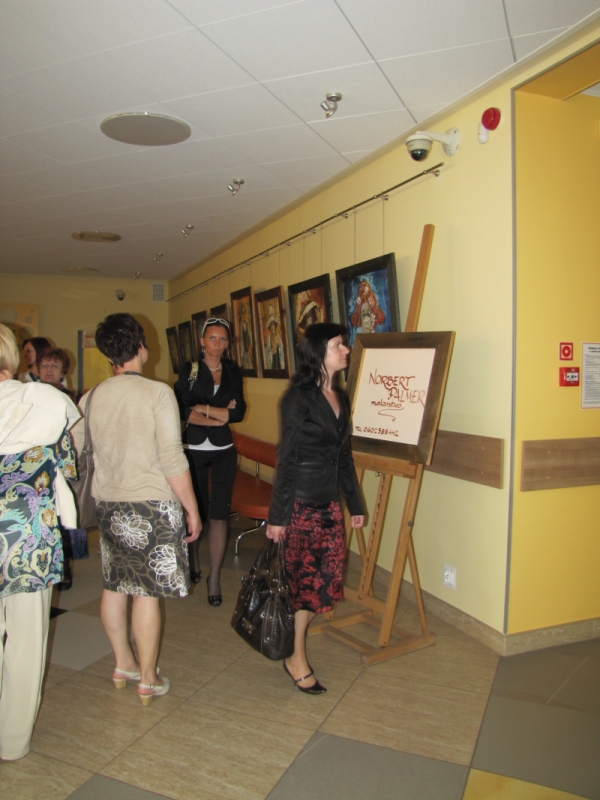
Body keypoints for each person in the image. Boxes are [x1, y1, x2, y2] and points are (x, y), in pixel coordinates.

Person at [71, 314, 201, 705]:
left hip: (109, 504)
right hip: (152, 506)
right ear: (141, 347)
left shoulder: (91, 397)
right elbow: (172, 458)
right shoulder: (157, 393)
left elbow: (74, 450)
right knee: (147, 592)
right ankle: (147, 678)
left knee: (115, 584)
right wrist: (192, 509)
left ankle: (123, 663)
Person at [266, 323, 365, 694]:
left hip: (329, 506)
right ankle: (296, 658)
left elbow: (344, 455)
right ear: (319, 352)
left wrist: (354, 503)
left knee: (320, 587)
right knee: (302, 587)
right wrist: (278, 517)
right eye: (338, 345)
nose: (346, 350)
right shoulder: (297, 398)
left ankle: (294, 649)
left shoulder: (340, 396)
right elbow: (287, 459)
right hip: (302, 506)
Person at [0, 324, 80, 760]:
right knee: (27, 637)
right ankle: (11, 742)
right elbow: (67, 465)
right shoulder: (49, 402)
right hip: (27, 534)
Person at [175, 318, 246, 605]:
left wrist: (202, 407)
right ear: (202, 341)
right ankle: (193, 561)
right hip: (193, 448)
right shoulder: (190, 371)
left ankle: (213, 577)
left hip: (224, 450)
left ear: (228, 343)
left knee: (219, 513)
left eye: (223, 339)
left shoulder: (232, 371)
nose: (217, 344)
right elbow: (183, 410)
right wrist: (219, 415)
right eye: (212, 338)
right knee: (196, 509)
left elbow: (238, 412)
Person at [38, 347, 81, 589]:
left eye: (54, 366)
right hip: (38, 466)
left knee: (66, 515)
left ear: (63, 371)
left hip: (63, 462)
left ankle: (66, 566)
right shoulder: (29, 394)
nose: (49, 370)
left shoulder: (71, 398)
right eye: (45, 365)